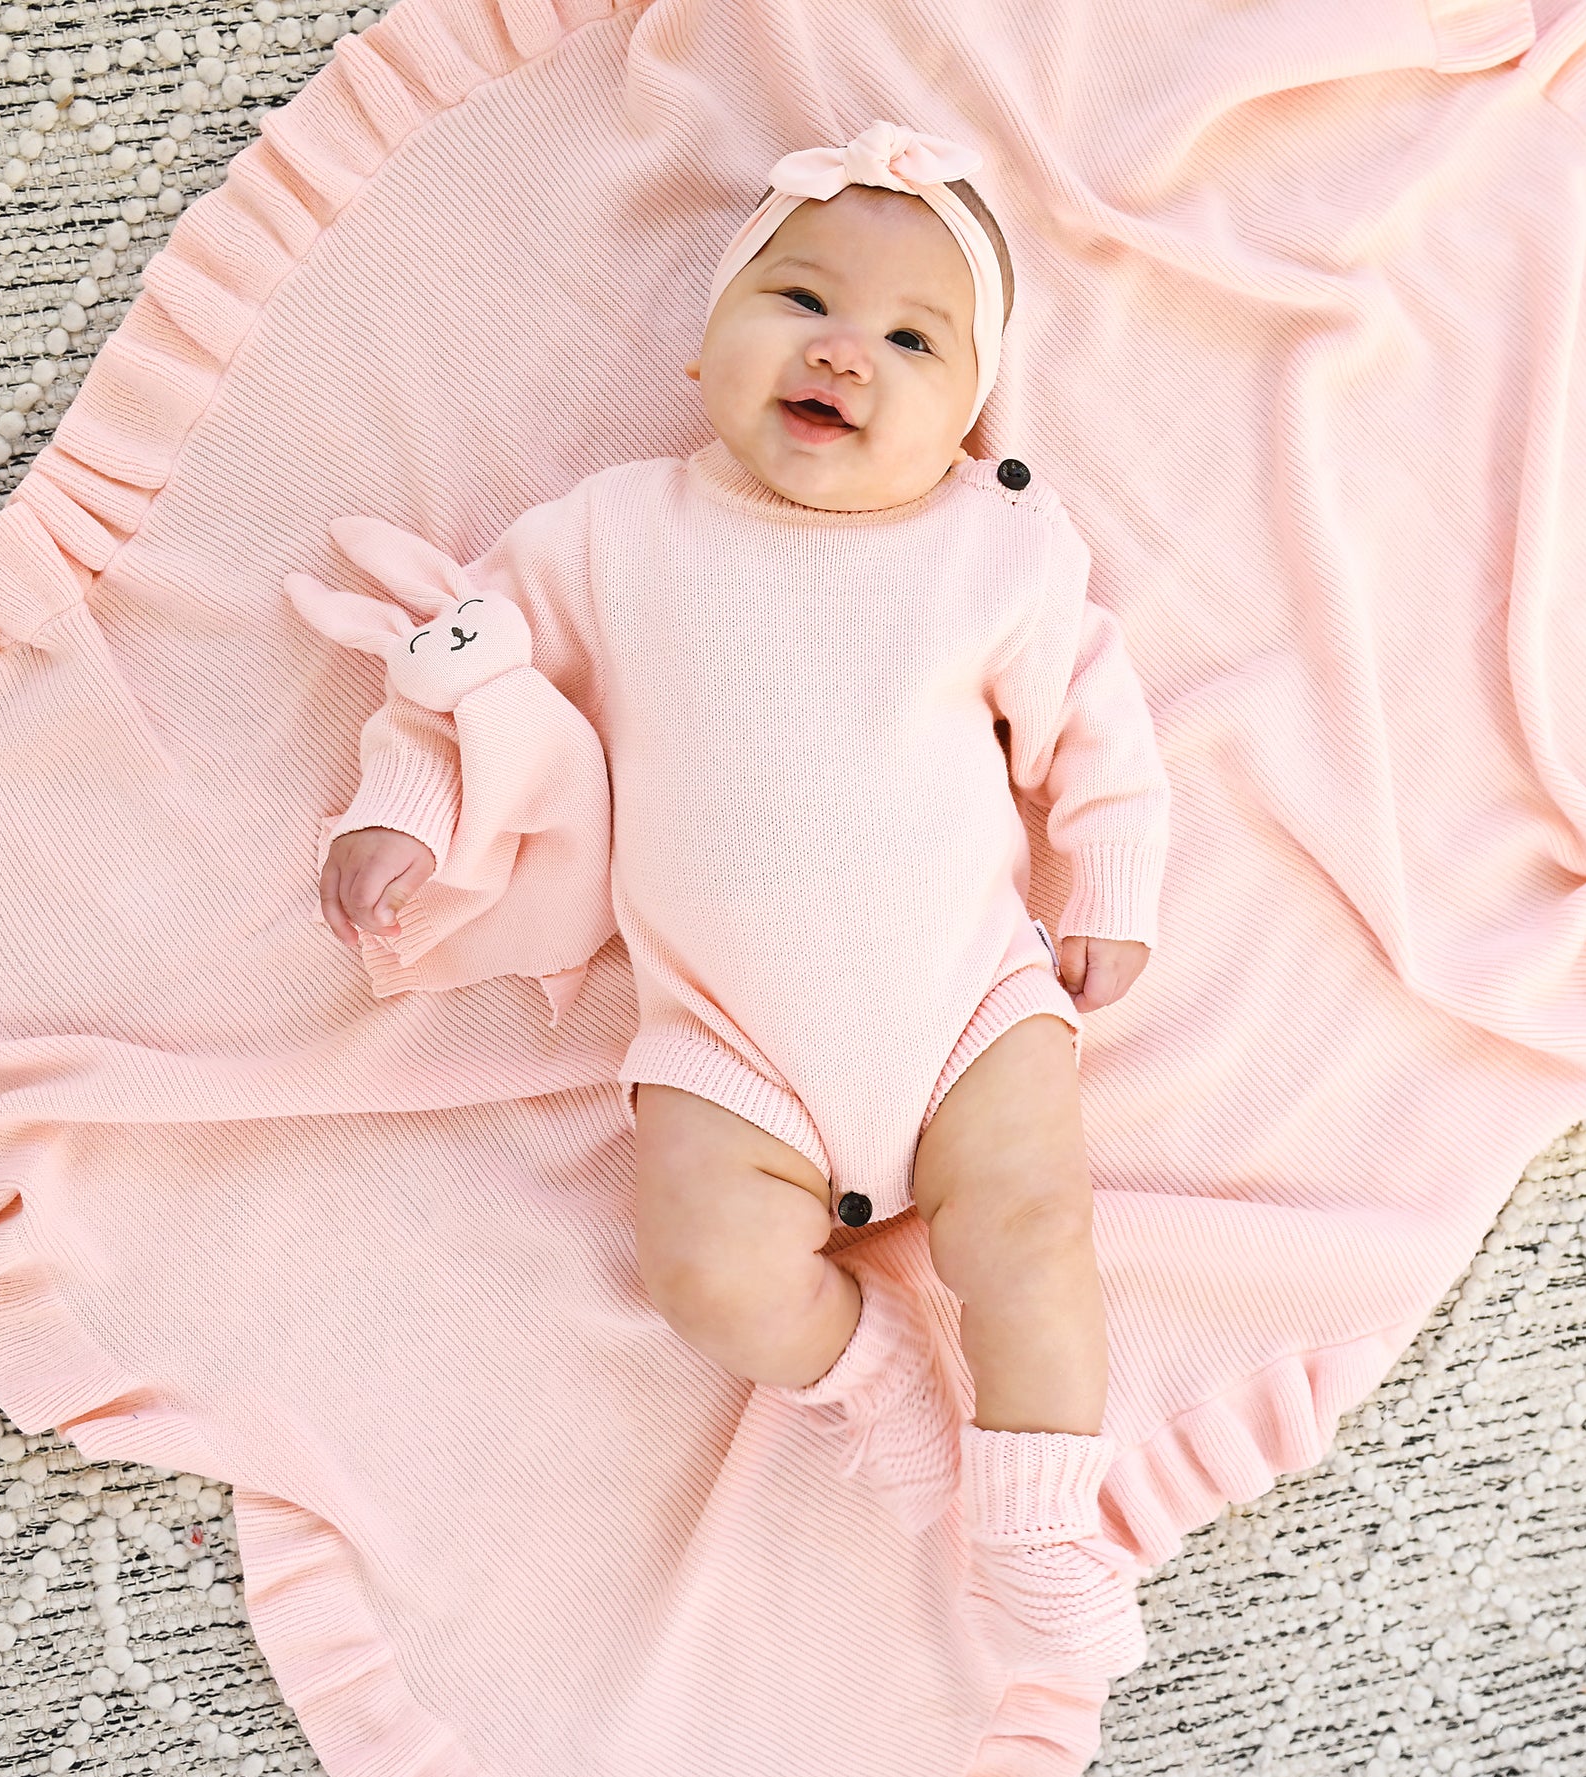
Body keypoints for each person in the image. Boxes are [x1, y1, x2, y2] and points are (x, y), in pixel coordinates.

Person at [288, 120, 1169, 1682]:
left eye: (914, 340)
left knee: (1035, 1228)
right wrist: (404, 814)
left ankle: (1037, 1525)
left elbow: (1100, 731)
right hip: (728, 1049)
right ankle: (868, 1371)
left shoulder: (994, 553)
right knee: (702, 1271)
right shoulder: (611, 534)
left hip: (969, 1002)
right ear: (703, 347)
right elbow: (466, 679)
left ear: (971, 412)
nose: (845, 351)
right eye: (800, 299)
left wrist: (1109, 884)